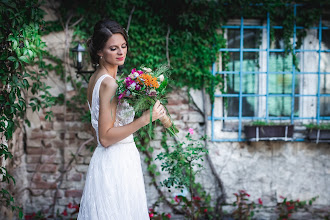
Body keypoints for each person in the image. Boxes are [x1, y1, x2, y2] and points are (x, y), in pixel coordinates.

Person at [77, 18, 166, 220]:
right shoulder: (109, 84)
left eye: (123, 46)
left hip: (112, 159)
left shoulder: (96, 78)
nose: (121, 53)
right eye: (113, 48)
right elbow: (105, 137)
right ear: (100, 51)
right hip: (116, 161)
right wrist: (145, 119)